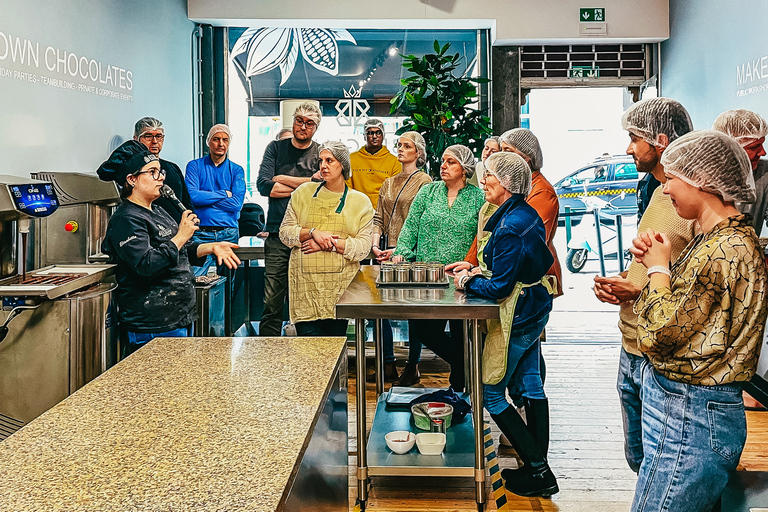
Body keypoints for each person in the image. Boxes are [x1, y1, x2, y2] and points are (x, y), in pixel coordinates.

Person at [628, 130, 767, 512]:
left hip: (690, 413)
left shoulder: (723, 248)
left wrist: (657, 270)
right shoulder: (723, 239)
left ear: (702, 179)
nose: (666, 187)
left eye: (672, 177)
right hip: (690, 410)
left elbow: (660, 332)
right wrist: (661, 262)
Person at [593, 97, 696, 474]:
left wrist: (639, 291)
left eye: (635, 138)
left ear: (661, 141)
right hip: (631, 339)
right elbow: (653, 258)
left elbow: (698, 284)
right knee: (639, 459)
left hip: (662, 350)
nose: (628, 147)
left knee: (662, 465)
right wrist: (624, 281)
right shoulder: (656, 192)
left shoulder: (693, 202)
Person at [452, 152, 558, 497]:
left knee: (492, 392)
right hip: (536, 305)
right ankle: (536, 468)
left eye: (491, 177)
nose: (484, 181)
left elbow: (500, 288)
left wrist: (469, 282)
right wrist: (481, 272)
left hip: (520, 313)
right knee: (530, 386)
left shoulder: (510, 225)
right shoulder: (524, 213)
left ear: (509, 184)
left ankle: (540, 471)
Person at [98, 141, 240, 357]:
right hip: (152, 325)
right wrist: (182, 235)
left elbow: (182, 249)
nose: (161, 177)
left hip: (178, 317)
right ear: (132, 179)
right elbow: (146, 264)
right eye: (152, 172)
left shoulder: (157, 210)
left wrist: (210, 246)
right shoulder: (126, 219)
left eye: (160, 171)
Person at [392, 144, 485, 391]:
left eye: (451, 162)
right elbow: (411, 226)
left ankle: (459, 391)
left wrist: (473, 265)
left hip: (461, 281)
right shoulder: (428, 192)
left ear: (464, 168)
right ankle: (465, 363)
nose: (443, 166)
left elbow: (482, 236)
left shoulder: (478, 197)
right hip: (428, 277)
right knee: (424, 330)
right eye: (443, 161)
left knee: (460, 335)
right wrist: (402, 252)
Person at [279, 141, 374, 336]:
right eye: (321, 160)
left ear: (343, 165)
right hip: (306, 288)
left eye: (329, 160)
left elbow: (363, 248)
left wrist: (327, 244)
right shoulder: (301, 194)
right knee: (307, 354)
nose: (323, 165)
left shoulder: (360, 202)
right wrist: (312, 232)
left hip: (339, 289)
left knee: (335, 349)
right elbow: (285, 233)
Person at [370, 131, 432, 383]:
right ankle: (387, 362)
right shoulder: (389, 182)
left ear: (418, 152)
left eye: (407, 146)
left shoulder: (425, 182)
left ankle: (413, 364)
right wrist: (375, 246)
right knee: (379, 310)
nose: (401, 149)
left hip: (411, 253)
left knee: (413, 311)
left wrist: (401, 250)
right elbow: (378, 217)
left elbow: (423, 223)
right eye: (399, 145)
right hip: (386, 252)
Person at [257, 102, 322, 336]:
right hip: (276, 235)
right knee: (272, 301)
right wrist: (307, 183)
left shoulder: (320, 153)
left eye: (309, 123)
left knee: (307, 301)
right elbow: (264, 185)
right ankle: (268, 353)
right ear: (293, 121)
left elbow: (322, 188)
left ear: (316, 128)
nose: (303, 126)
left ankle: (305, 356)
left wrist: (283, 178)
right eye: (299, 121)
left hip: (308, 235)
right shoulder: (275, 148)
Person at [185, 124, 246, 277]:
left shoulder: (236, 170)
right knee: (197, 279)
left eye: (225, 140)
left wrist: (205, 198)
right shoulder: (195, 166)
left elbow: (236, 204)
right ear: (208, 142)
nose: (221, 144)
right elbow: (193, 197)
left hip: (228, 233)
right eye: (216, 139)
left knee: (227, 284)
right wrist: (224, 193)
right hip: (201, 234)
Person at [712, 108, 768, 235]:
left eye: (762, 144)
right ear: (728, 148)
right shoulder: (701, 177)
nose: (763, 152)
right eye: (754, 147)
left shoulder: (764, 173)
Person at [133, 117, 194, 224]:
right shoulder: (133, 171)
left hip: (179, 232)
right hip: (148, 232)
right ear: (136, 139)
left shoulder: (173, 168)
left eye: (159, 136)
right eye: (148, 136)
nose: (155, 141)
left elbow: (186, 202)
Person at [347, 118, 401, 209]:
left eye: (378, 132)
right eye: (370, 133)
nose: (374, 136)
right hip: (357, 210)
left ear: (383, 135)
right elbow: (347, 189)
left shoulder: (394, 162)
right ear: (364, 136)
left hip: (384, 212)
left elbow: (395, 192)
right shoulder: (351, 159)